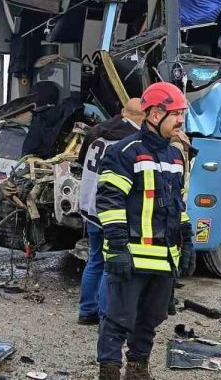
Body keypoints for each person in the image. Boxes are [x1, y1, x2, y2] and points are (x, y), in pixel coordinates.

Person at [94, 83, 195, 380]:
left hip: (164, 260)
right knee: (117, 320)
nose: (180, 122)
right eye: (176, 115)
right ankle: (109, 372)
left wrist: (187, 241)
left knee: (150, 320)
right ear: (154, 114)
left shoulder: (176, 157)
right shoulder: (124, 151)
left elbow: (178, 204)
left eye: (181, 115)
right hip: (132, 257)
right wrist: (117, 247)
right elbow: (110, 202)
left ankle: (137, 371)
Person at [76, 98, 143, 325]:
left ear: (123, 111)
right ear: (142, 117)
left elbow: (79, 160)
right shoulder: (130, 140)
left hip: (89, 205)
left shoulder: (97, 131)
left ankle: (87, 311)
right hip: (111, 209)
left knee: (95, 258)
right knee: (110, 263)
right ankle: (107, 315)